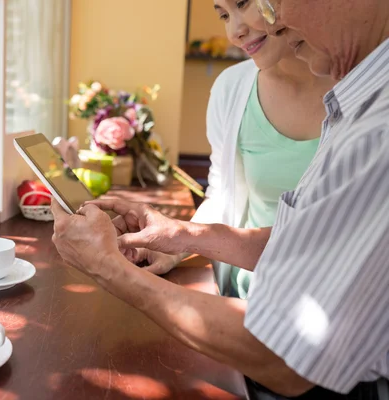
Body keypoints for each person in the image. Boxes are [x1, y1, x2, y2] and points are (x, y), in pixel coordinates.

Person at [51, 0, 389, 397]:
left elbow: (284, 354)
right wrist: (184, 235)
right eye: (224, 14)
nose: (272, 21)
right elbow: (313, 240)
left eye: (264, 4)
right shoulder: (353, 102)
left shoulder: (375, 129)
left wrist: (107, 267)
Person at [142, 0, 335, 299]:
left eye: (243, 3)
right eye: (223, 15)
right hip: (245, 297)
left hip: (330, 307)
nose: (235, 32)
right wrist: (174, 250)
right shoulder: (232, 88)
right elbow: (221, 194)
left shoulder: (362, 92)